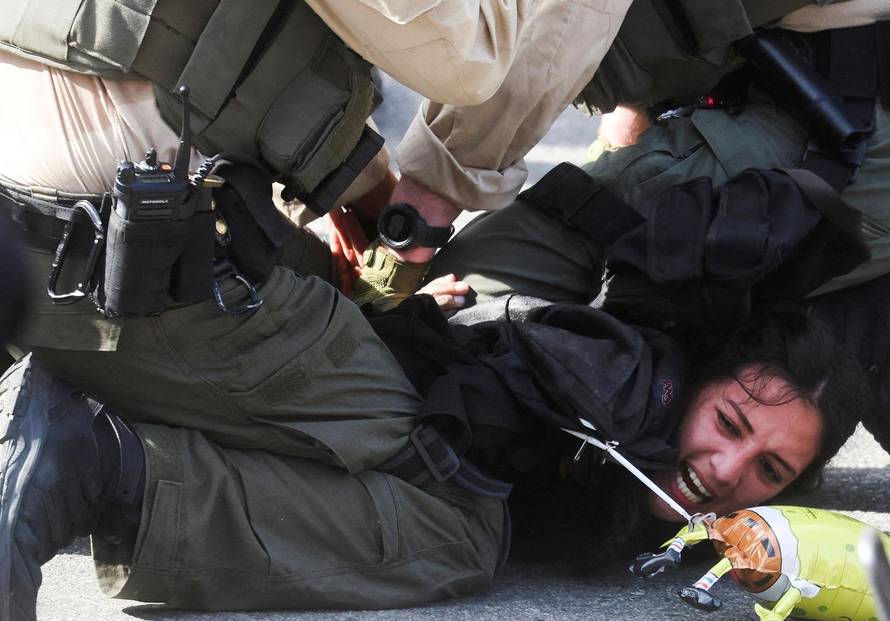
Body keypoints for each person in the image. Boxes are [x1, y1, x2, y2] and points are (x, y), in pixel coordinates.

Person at [0, 279, 867, 616]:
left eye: (768, 471)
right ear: (704, 383)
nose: (724, 471)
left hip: (390, 445)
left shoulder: (700, 514)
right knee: (418, 479)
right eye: (730, 426)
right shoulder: (624, 377)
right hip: (361, 370)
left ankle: (101, 469)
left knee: (456, 542)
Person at [423, 1, 890, 450]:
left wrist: (413, 222)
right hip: (797, 79)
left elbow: (523, 47)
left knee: (451, 332)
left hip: (848, 115)